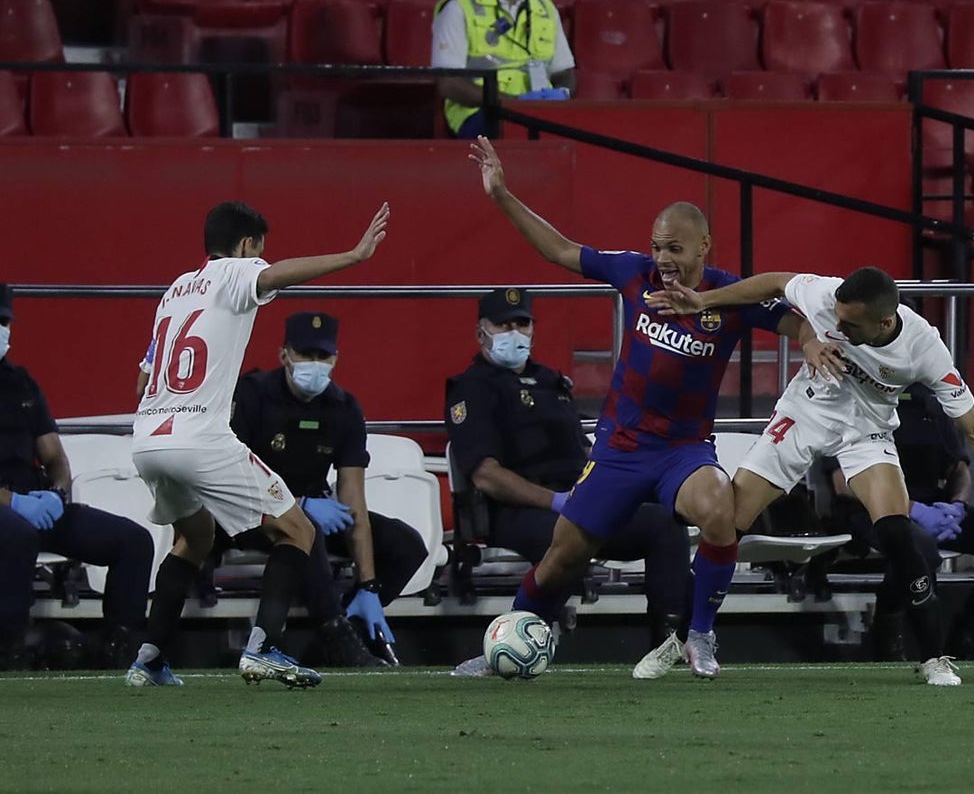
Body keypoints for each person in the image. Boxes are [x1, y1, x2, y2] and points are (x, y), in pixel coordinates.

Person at [461, 137, 820, 680]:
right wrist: (503, 195)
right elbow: (560, 249)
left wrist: (812, 340)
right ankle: (506, 646)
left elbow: (791, 318)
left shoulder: (729, 296)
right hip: (619, 451)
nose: (664, 260)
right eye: (657, 247)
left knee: (719, 510)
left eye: (675, 248)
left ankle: (699, 635)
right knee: (563, 558)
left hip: (682, 451)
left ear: (704, 246)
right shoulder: (633, 275)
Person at [647, 266, 974, 686]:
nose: (838, 327)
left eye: (850, 325)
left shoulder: (924, 348)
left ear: (885, 322)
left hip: (866, 432)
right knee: (728, 524)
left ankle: (934, 658)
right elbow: (776, 282)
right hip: (804, 414)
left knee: (898, 535)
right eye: (836, 317)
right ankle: (688, 635)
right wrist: (705, 300)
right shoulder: (827, 296)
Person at [126, 199, 390, 688]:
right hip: (199, 438)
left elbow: (142, 381)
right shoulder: (234, 274)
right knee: (300, 532)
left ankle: (150, 657)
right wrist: (353, 256)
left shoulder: (175, 292)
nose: (263, 262)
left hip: (147, 437)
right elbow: (276, 277)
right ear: (247, 246)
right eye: (260, 252)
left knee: (195, 539)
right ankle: (264, 647)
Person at [446, 287, 692, 677]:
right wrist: (556, 501)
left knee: (662, 524)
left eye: (522, 323)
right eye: (503, 324)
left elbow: (585, 451)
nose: (515, 331)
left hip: (580, 500)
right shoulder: (470, 388)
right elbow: (485, 474)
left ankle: (668, 645)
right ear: (482, 333)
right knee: (568, 534)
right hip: (518, 511)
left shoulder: (551, 383)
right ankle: (512, 641)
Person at [227, 311, 429, 667]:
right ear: (284, 354)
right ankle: (334, 632)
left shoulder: (344, 408)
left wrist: (369, 585)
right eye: (306, 355)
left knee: (406, 544)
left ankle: (346, 630)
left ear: (335, 358)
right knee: (306, 527)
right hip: (251, 512)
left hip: (311, 513)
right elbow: (233, 472)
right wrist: (298, 503)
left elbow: (353, 498)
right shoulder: (253, 394)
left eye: (324, 356)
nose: (315, 364)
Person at [819, 384, 974, 661]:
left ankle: (966, 631)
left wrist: (957, 506)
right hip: (870, 511)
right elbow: (844, 484)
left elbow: (958, 468)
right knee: (917, 545)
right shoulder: (849, 400)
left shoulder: (927, 403)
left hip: (935, 507)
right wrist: (913, 510)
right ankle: (888, 625)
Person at [0, 283, 154, 670]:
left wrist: (57, 494)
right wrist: (13, 502)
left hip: (32, 504)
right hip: (9, 511)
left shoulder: (21, 385)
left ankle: (121, 647)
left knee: (133, 541)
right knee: (17, 535)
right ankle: (9, 647)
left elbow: (54, 456)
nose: (2, 329)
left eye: (4, 321)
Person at [431, 0, 576, 139]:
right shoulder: (457, 8)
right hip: (480, 111)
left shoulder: (545, 8)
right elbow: (449, 84)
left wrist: (562, 93)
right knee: (520, 133)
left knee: (582, 134)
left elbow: (564, 73)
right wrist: (514, 103)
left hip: (541, 110)